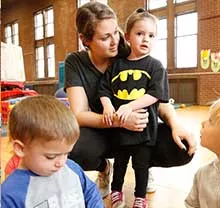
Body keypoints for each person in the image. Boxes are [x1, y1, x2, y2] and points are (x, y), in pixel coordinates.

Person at [64, 1, 195, 199]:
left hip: (140, 129)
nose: (114, 41)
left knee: (181, 147)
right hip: (105, 129)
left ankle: (145, 161)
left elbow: (158, 98)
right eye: (105, 37)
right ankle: (104, 167)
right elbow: (79, 114)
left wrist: (176, 124)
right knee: (72, 148)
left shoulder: (129, 50)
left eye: (115, 32)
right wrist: (120, 120)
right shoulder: (75, 62)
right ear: (85, 40)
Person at [98, 8, 168, 208]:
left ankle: (140, 197)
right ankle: (116, 191)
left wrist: (129, 106)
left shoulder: (155, 66)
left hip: (144, 129)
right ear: (127, 36)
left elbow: (155, 93)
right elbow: (104, 89)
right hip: (121, 129)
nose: (146, 39)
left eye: (151, 35)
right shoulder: (116, 66)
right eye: (140, 34)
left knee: (141, 165)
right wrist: (107, 106)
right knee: (120, 163)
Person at [1, 95, 103, 208]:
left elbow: (90, 192)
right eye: (51, 156)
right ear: (21, 149)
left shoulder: (72, 168)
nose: (61, 163)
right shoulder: (10, 193)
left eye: (66, 154)